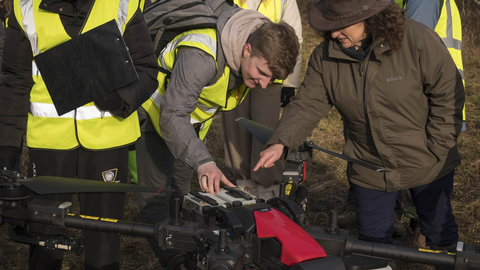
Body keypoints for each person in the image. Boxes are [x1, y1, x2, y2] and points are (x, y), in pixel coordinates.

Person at [254, 0, 464, 254]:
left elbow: (448, 94)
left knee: (439, 232)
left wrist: (437, 146)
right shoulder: (325, 57)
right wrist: (281, 141)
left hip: (428, 159)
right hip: (368, 164)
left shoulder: (417, 40)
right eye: (331, 26)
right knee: (372, 245)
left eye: (342, 25)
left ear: (370, 18)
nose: (333, 33)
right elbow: (308, 103)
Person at [136, 3, 299, 266]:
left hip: (187, 131)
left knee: (179, 197)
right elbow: (171, 115)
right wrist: (204, 161)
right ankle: (174, 262)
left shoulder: (247, 53)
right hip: (157, 121)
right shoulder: (202, 55)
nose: (264, 84)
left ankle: (183, 252)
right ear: (247, 49)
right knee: (155, 199)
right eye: (262, 74)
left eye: (271, 79)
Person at [0, 0, 159, 269]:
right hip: (49, 143)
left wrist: (120, 98)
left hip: (109, 141)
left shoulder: (124, 4)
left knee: (104, 238)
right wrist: (6, 154)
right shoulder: (23, 7)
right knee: (44, 236)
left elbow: (148, 69)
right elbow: (14, 82)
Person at [337, 0, 465, 236]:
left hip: (423, 109)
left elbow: (401, 45)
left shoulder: (422, 8)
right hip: (402, 104)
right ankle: (385, 215)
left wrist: (437, 147)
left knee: (427, 195)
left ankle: (418, 226)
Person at [221, 0, 303, 200]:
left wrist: (289, 82)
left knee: (265, 129)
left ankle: (268, 185)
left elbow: (295, 39)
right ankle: (241, 180)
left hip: (270, 76)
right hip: (235, 66)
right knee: (235, 126)